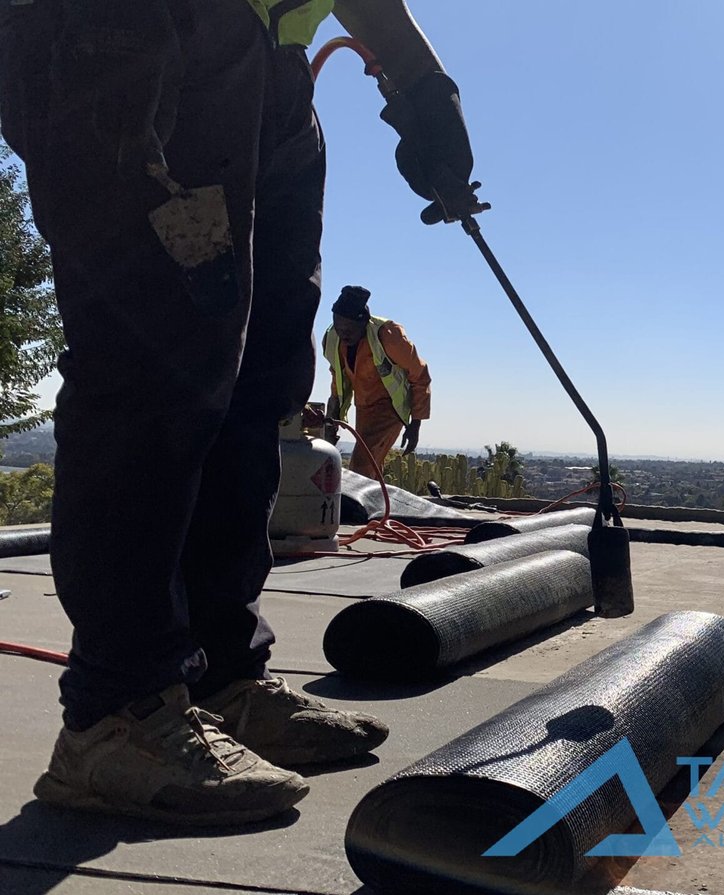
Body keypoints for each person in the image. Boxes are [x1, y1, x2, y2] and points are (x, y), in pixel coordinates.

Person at [0, 0, 484, 824]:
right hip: (124, 30)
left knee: (260, 383)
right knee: (148, 369)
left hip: (265, 69)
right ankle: (118, 715)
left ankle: (220, 679)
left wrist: (421, 86)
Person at [324, 285, 432, 479]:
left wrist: (415, 423)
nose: (343, 334)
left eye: (349, 329)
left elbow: (420, 374)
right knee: (370, 466)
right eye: (339, 328)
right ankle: (377, 506)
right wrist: (332, 416)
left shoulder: (388, 336)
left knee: (361, 464)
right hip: (363, 407)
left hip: (389, 408)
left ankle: (357, 509)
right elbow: (337, 377)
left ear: (363, 323)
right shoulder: (333, 339)